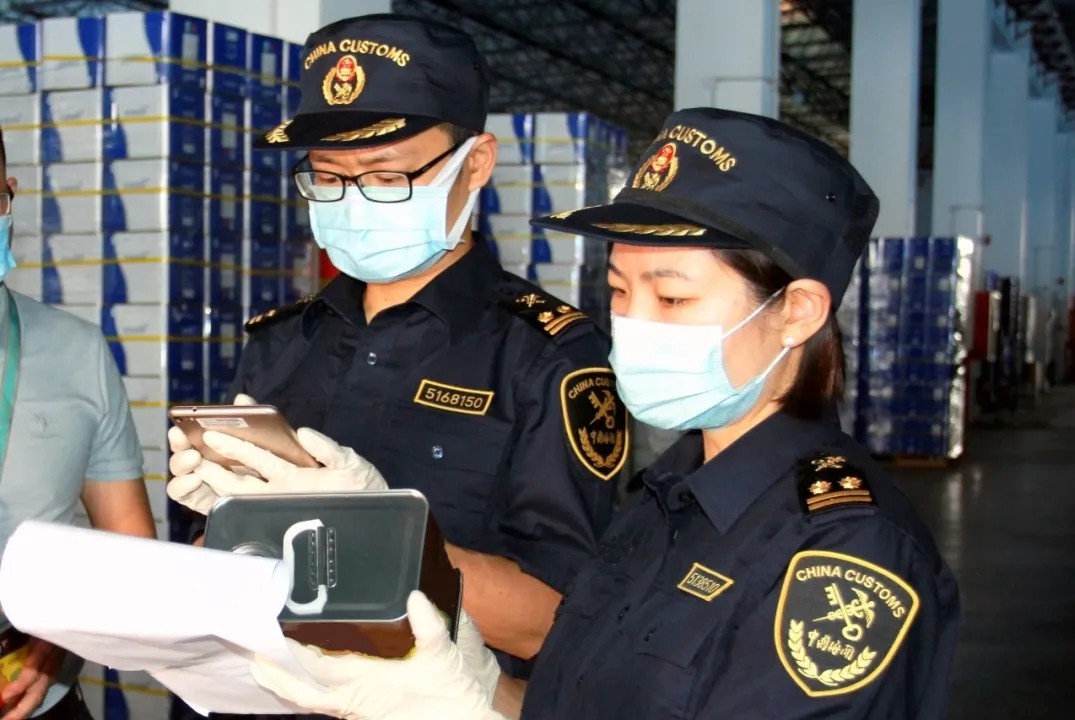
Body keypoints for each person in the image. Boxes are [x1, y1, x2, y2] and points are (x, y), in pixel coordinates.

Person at [241, 107, 961, 719]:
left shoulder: (843, 552)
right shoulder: (664, 505)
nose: (634, 323)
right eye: (619, 290)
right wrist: (474, 690)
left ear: (796, 312)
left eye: (672, 297)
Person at [165, 11, 625, 684]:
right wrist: (225, 536)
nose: (353, 202)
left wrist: (384, 545)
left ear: (476, 163)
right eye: (328, 177)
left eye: (386, 177)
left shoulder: (549, 358)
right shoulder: (284, 340)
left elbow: (553, 618)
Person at [0, 126, 157, 719]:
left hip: (35, 695)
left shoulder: (77, 351)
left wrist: (61, 634)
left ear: (9, 198)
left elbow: (130, 547)